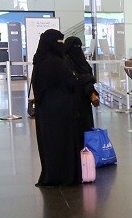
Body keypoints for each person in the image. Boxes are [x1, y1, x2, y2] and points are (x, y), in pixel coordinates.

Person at [32, 29, 91, 187]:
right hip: (60, 111)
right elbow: (71, 81)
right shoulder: (55, 62)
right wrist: (88, 78)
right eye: (58, 41)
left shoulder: (40, 60)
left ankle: (52, 174)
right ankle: (64, 175)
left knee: (50, 145)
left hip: (45, 112)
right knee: (61, 144)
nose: (61, 45)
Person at [63, 36, 99, 139]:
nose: (77, 49)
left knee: (84, 128)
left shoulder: (81, 62)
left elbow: (84, 77)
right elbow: (73, 79)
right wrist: (88, 79)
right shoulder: (65, 62)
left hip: (83, 100)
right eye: (75, 47)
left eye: (78, 46)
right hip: (72, 100)